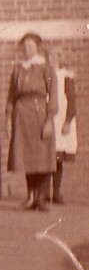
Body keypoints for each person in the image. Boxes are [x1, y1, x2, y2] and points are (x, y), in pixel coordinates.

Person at [6, 32, 58, 212]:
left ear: (38, 47)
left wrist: (50, 120)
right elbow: (11, 96)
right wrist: (8, 119)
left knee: (43, 155)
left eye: (31, 46)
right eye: (24, 46)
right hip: (21, 115)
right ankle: (30, 197)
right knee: (26, 156)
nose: (27, 50)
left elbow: (53, 95)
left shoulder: (46, 67)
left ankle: (42, 198)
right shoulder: (18, 68)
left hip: (40, 114)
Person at [52, 50, 77, 206]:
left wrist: (67, 121)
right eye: (49, 56)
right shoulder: (46, 74)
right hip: (50, 118)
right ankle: (43, 194)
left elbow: (72, 100)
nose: (51, 59)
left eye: (54, 56)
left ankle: (56, 192)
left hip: (61, 119)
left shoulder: (66, 76)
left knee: (58, 158)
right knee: (48, 156)